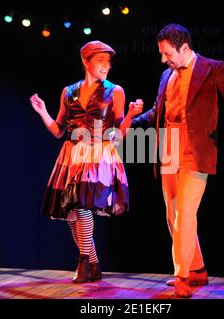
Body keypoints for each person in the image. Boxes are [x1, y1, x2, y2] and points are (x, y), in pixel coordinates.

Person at [133, 24, 224, 298]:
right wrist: (130, 123)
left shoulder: (212, 68)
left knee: (185, 212)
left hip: (196, 147)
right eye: (161, 53)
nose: (163, 58)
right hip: (169, 145)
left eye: (167, 53)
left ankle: (182, 276)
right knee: (172, 213)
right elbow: (159, 111)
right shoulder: (165, 75)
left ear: (184, 48)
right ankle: (198, 270)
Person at [30, 41, 143, 283]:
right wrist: (43, 112)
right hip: (71, 154)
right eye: (100, 61)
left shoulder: (116, 91)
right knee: (72, 214)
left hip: (98, 152)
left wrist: (131, 116)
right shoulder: (68, 92)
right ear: (86, 62)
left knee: (82, 205)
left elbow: (119, 134)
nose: (106, 66)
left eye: (108, 62)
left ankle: (83, 263)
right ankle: (93, 264)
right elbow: (59, 130)